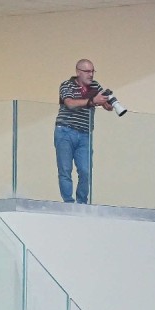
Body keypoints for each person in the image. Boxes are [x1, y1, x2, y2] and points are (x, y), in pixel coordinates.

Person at [54, 59, 112, 204]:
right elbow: (69, 103)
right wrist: (92, 101)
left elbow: (107, 106)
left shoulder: (95, 86)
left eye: (92, 71)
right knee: (65, 169)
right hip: (65, 131)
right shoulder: (67, 85)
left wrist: (110, 101)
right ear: (78, 72)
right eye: (87, 71)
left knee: (85, 170)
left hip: (85, 134)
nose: (90, 74)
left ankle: (82, 203)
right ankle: (68, 203)